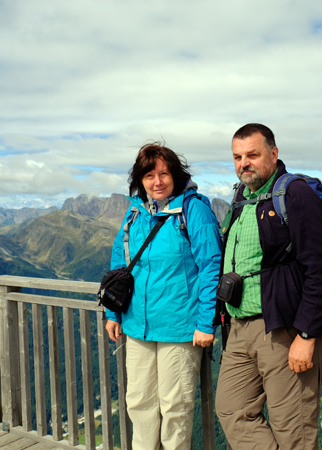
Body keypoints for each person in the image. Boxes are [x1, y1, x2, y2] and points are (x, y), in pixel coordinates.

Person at [214, 124, 322, 449]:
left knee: (293, 432)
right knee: (231, 410)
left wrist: (307, 334)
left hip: (282, 330)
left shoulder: (295, 194)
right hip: (239, 328)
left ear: (273, 153)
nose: (244, 163)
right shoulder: (242, 196)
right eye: (238, 157)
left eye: (252, 155)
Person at [105, 142, 222, 450]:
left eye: (164, 174)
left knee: (175, 408)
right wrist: (113, 313)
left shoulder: (193, 210)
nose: (157, 182)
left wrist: (205, 323)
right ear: (140, 180)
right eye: (149, 176)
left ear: (176, 175)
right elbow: (120, 264)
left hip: (179, 327)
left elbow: (211, 267)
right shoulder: (135, 212)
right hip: (137, 324)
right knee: (139, 402)